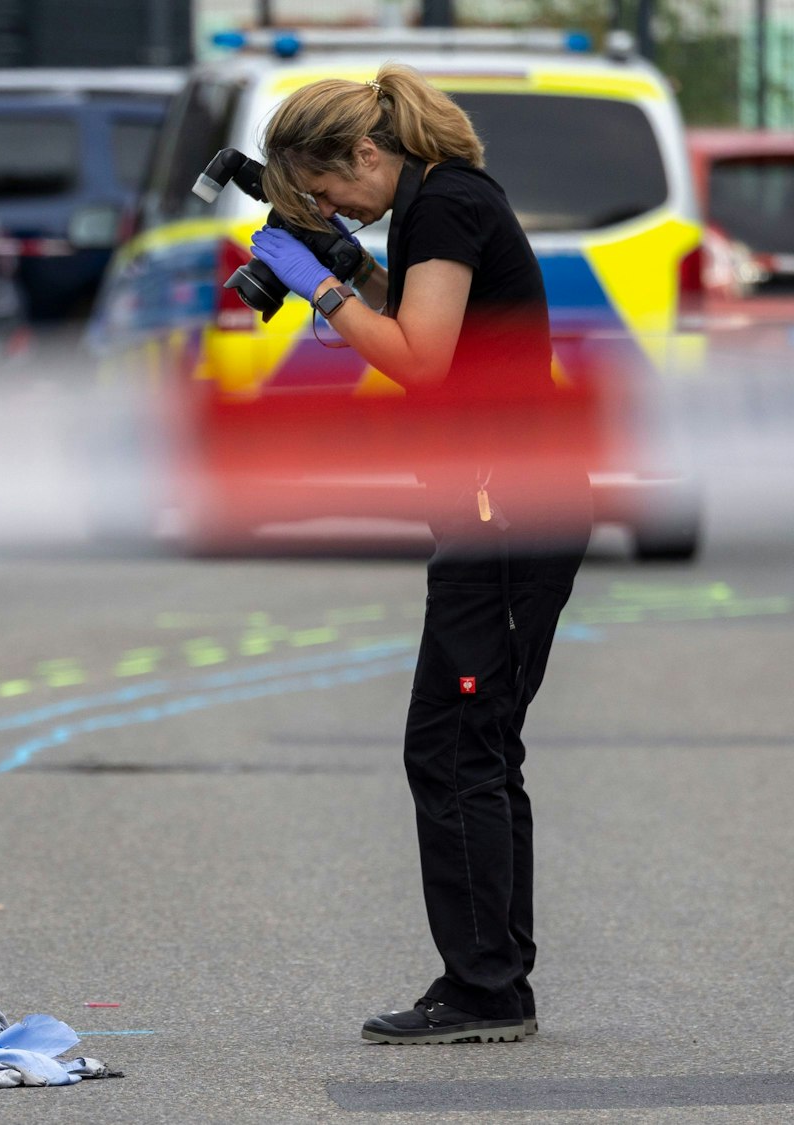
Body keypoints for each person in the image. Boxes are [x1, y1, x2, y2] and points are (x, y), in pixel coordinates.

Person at [245, 63, 592, 1045]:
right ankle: (484, 979)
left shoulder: (440, 205)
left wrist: (318, 283)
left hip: (507, 508)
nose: (331, 210)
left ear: (365, 151)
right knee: (469, 745)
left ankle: (487, 991)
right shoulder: (446, 199)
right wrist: (346, 272)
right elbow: (427, 318)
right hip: (504, 502)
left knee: (456, 744)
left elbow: (419, 360)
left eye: (326, 193)